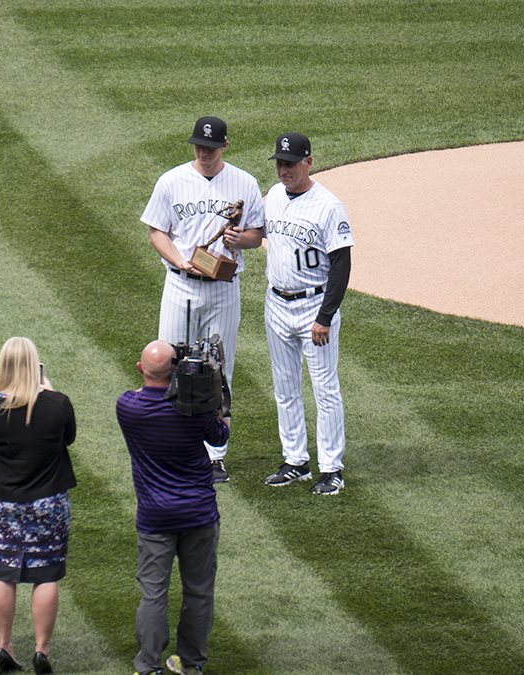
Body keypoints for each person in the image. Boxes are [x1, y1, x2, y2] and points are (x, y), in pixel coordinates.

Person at [140, 115, 265, 483]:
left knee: (218, 370)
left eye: (211, 148)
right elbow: (156, 232)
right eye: (199, 146)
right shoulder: (171, 180)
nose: (204, 152)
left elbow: (257, 235)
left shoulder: (245, 182)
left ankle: (215, 456)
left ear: (225, 146)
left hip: (224, 289)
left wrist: (240, 240)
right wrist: (179, 260)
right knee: (169, 363)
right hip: (180, 285)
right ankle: (169, 446)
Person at [116, 340, 229, 675]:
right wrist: (211, 393)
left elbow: (142, 392)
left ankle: (148, 665)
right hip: (199, 515)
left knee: (153, 594)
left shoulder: (128, 408)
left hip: (155, 518)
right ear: (176, 370)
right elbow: (220, 436)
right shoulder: (193, 412)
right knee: (199, 593)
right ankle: (191, 664)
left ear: (140, 370)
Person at [257, 132, 354, 495]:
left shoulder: (328, 206)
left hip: (314, 306)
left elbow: (341, 264)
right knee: (284, 387)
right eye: (280, 163)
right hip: (277, 304)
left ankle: (331, 469)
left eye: (291, 164)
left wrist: (325, 317)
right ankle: (295, 461)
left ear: (308, 163)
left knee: (325, 389)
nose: (284, 170)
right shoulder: (275, 197)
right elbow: (262, 237)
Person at [0, 338, 77, 675]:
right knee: (46, 574)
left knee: (3, 571)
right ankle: (41, 651)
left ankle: (4, 645)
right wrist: (49, 393)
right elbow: (69, 437)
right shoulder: (58, 404)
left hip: (4, 502)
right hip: (49, 502)